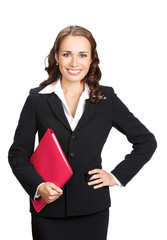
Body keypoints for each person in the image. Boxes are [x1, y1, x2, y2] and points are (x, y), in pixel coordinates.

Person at [8, 25, 157, 240]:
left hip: (92, 209)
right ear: (57, 57)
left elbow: (146, 141)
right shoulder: (37, 99)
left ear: (91, 60)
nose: (74, 63)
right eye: (67, 54)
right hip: (49, 210)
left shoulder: (107, 99)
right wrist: (38, 186)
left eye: (82, 55)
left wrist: (116, 176)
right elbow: (18, 154)